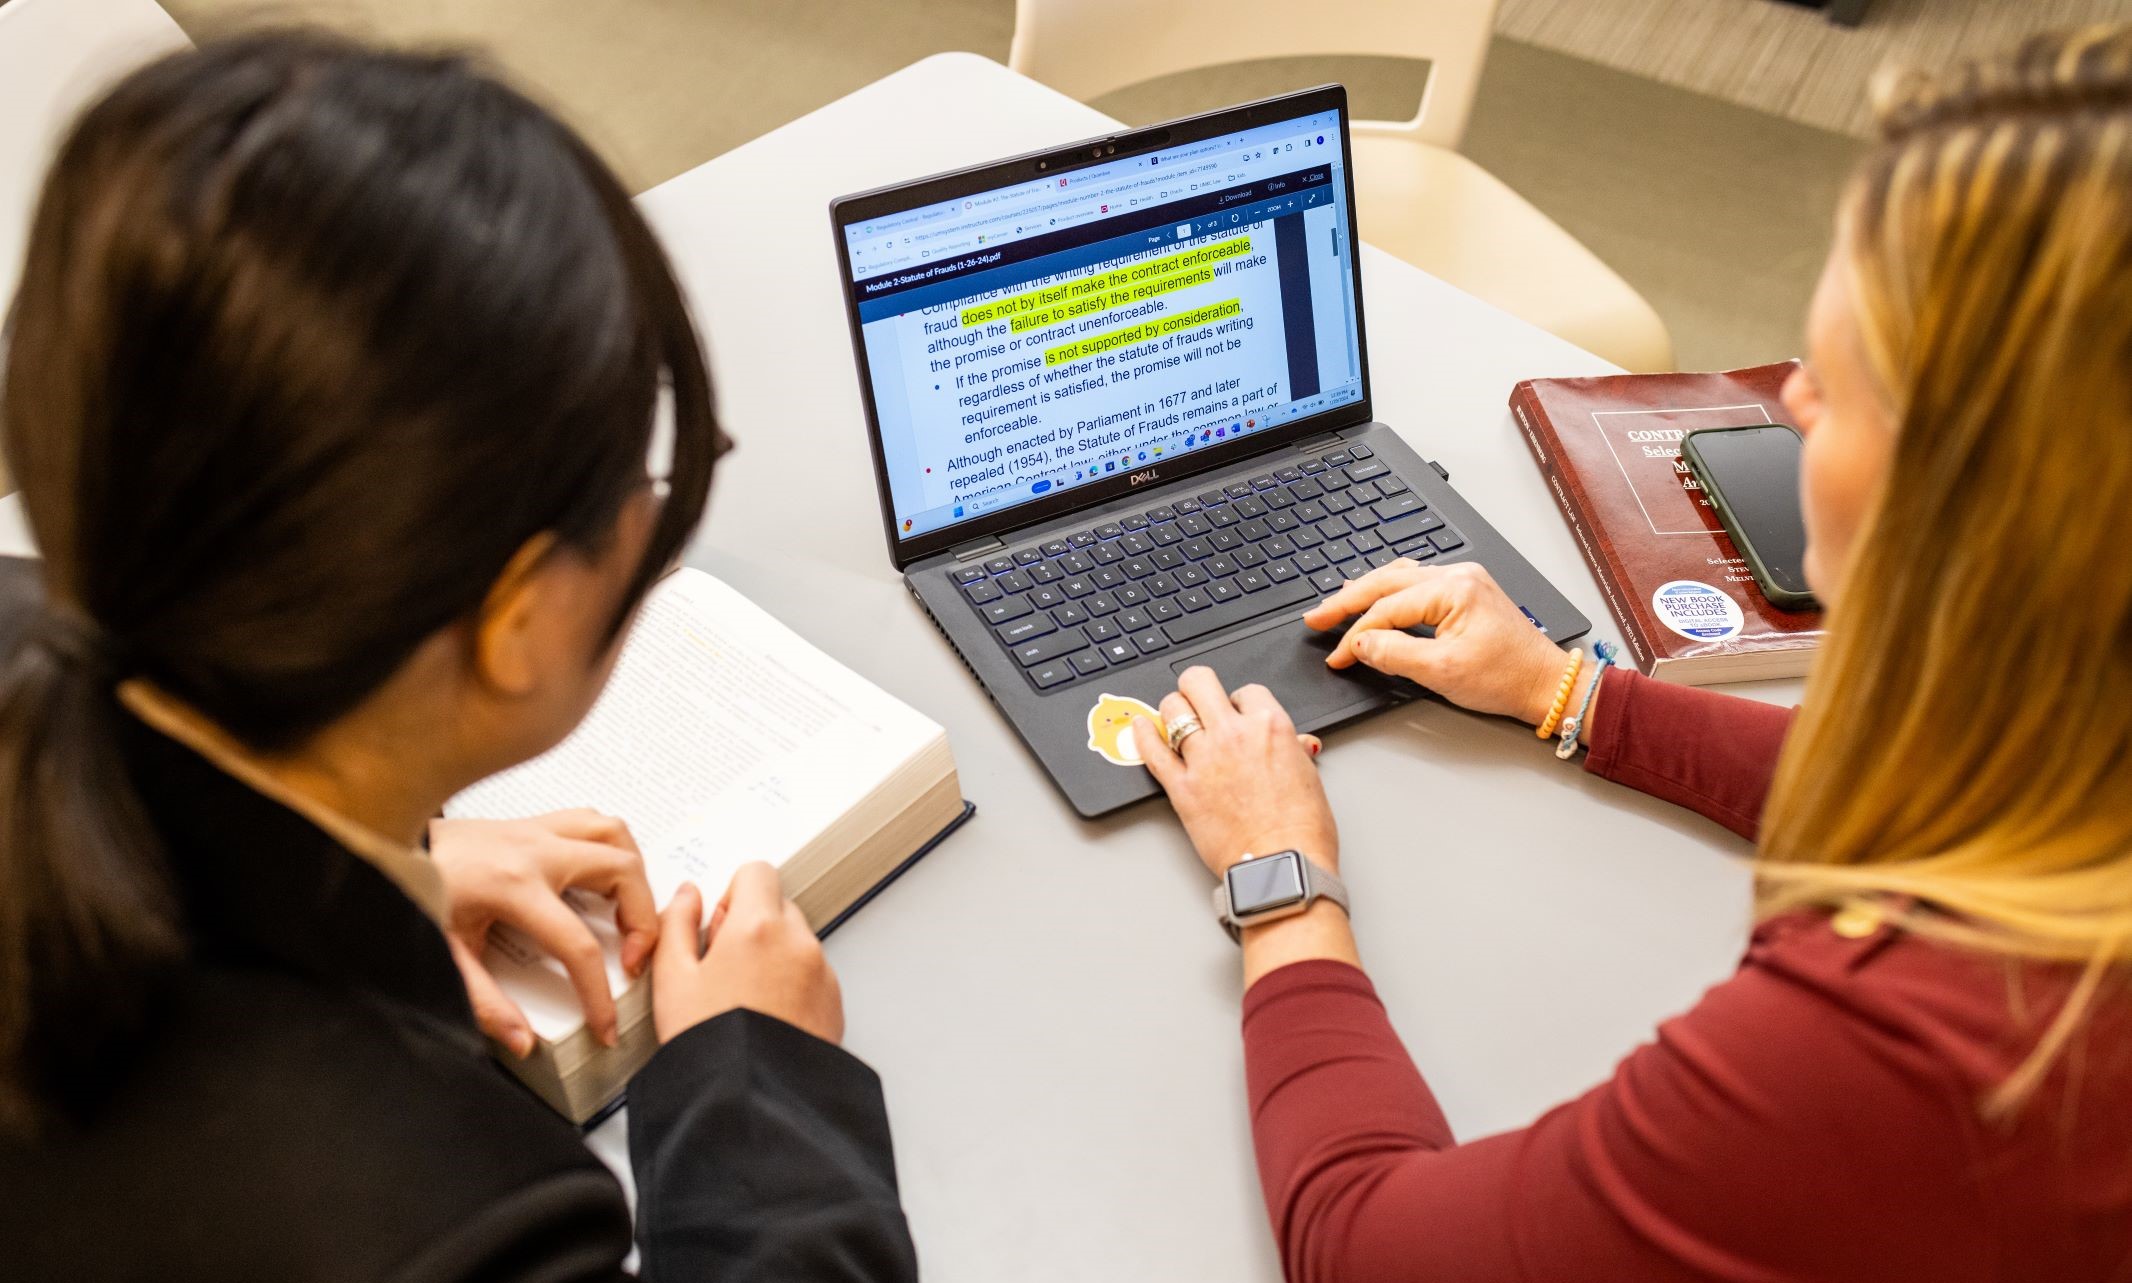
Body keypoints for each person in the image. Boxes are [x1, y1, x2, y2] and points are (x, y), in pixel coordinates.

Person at [1131, 23, 2132, 1282]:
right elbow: (1971, 790)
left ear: (1997, 495)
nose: (1788, 402)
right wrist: (1570, 692)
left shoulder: (1913, 1051)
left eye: (1840, 375)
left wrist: (1278, 882)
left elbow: (1368, 1245)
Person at [0, 33, 916, 1281]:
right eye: (630, 485)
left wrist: (389, 844)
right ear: (514, 619)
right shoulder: (463, 1222)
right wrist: (761, 1084)